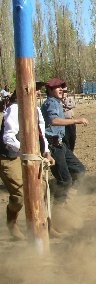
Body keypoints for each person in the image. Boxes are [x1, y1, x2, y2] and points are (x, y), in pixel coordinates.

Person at [0, 83, 56, 240]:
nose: (38, 92)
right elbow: (8, 137)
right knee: (19, 194)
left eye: (38, 89)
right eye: (35, 88)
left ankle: (46, 226)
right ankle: (12, 223)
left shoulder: (36, 110)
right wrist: (27, 153)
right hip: (9, 157)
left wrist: (46, 152)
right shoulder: (14, 109)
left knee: (43, 188)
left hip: (31, 155)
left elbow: (41, 134)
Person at [41, 78, 88, 201]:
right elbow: (53, 121)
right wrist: (76, 120)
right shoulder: (50, 103)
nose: (61, 89)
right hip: (53, 146)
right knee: (65, 181)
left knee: (79, 170)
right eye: (58, 87)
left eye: (62, 87)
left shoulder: (56, 102)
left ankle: (67, 198)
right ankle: (59, 208)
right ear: (50, 90)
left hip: (60, 145)